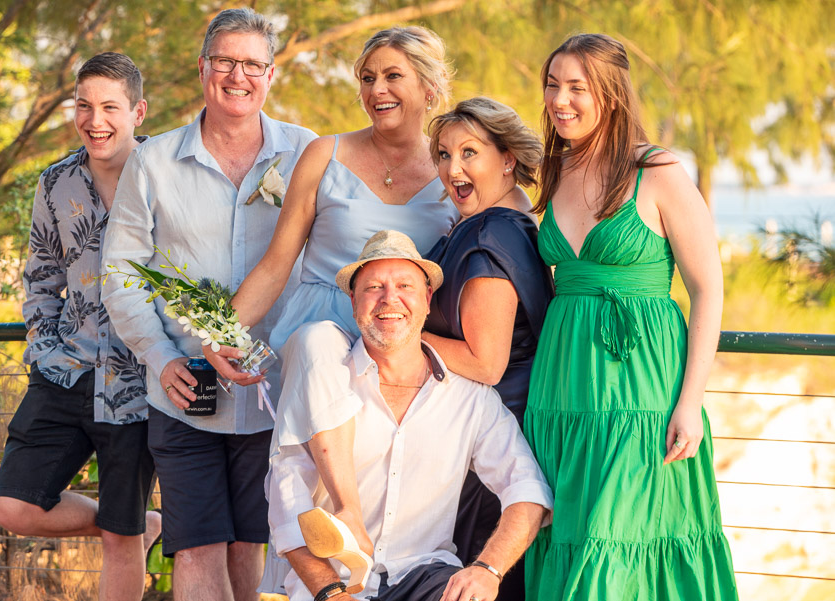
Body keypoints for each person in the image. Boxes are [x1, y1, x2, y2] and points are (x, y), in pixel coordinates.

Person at [204, 26, 457, 558]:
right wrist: (217, 334)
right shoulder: (324, 155)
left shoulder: (451, 171)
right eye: (367, 78)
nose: (376, 90)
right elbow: (276, 265)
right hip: (317, 328)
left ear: (430, 88)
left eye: (393, 76)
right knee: (320, 343)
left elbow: (505, 227)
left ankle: (371, 567)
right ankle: (345, 517)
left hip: (398, 341)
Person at [101, 9, 316, 601]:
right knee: (195, 546)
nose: (237, 75)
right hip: (183, 389)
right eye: (225, 61)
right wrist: (160, 356)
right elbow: (121, 269)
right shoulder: (154, 161)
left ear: (270, 75)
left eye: (252, 64)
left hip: (273, 388)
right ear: (203, 69)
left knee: (250, 544)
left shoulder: (308, 153)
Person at [523, 34, 738, 599]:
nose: (559, 100)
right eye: (552, 85)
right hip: (561, 386)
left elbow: (707, 289)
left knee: (615, 538)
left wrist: (689, 402)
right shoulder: (555, 169)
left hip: (641, 387)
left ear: (612, 95)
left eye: (577, 87)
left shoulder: (658, 171)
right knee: (567, 531)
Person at [266, 230, 554, 601]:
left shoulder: (470, 399)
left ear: (427, 299)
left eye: (405, 285)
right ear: (353, 302)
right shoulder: (321, 381)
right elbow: (287, 503)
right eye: (373, 288)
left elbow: (527, 490)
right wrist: (331, 593)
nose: (390, 299)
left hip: (427, 577)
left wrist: (487, 570)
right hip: (334, 582)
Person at [0, 52, 160, 601]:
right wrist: (44, 349)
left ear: (137, 111)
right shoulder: (56, 183)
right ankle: (136, 524)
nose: (95, 120)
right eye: (84, 106)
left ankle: (129, 527)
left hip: (138, 383)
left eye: (110, 107)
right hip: (65, 371)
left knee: (120, 541)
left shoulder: (169, 175)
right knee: (13, 505)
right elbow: (41, 278)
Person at [420, 96, 554, 600]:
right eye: (443, 154)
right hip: (491, 431)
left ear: (507, 160)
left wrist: (401, 332)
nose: (453, 169)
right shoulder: (502, 222)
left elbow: (485, 361)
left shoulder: (490, 233)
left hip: (489, 440)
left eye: (469, 153)